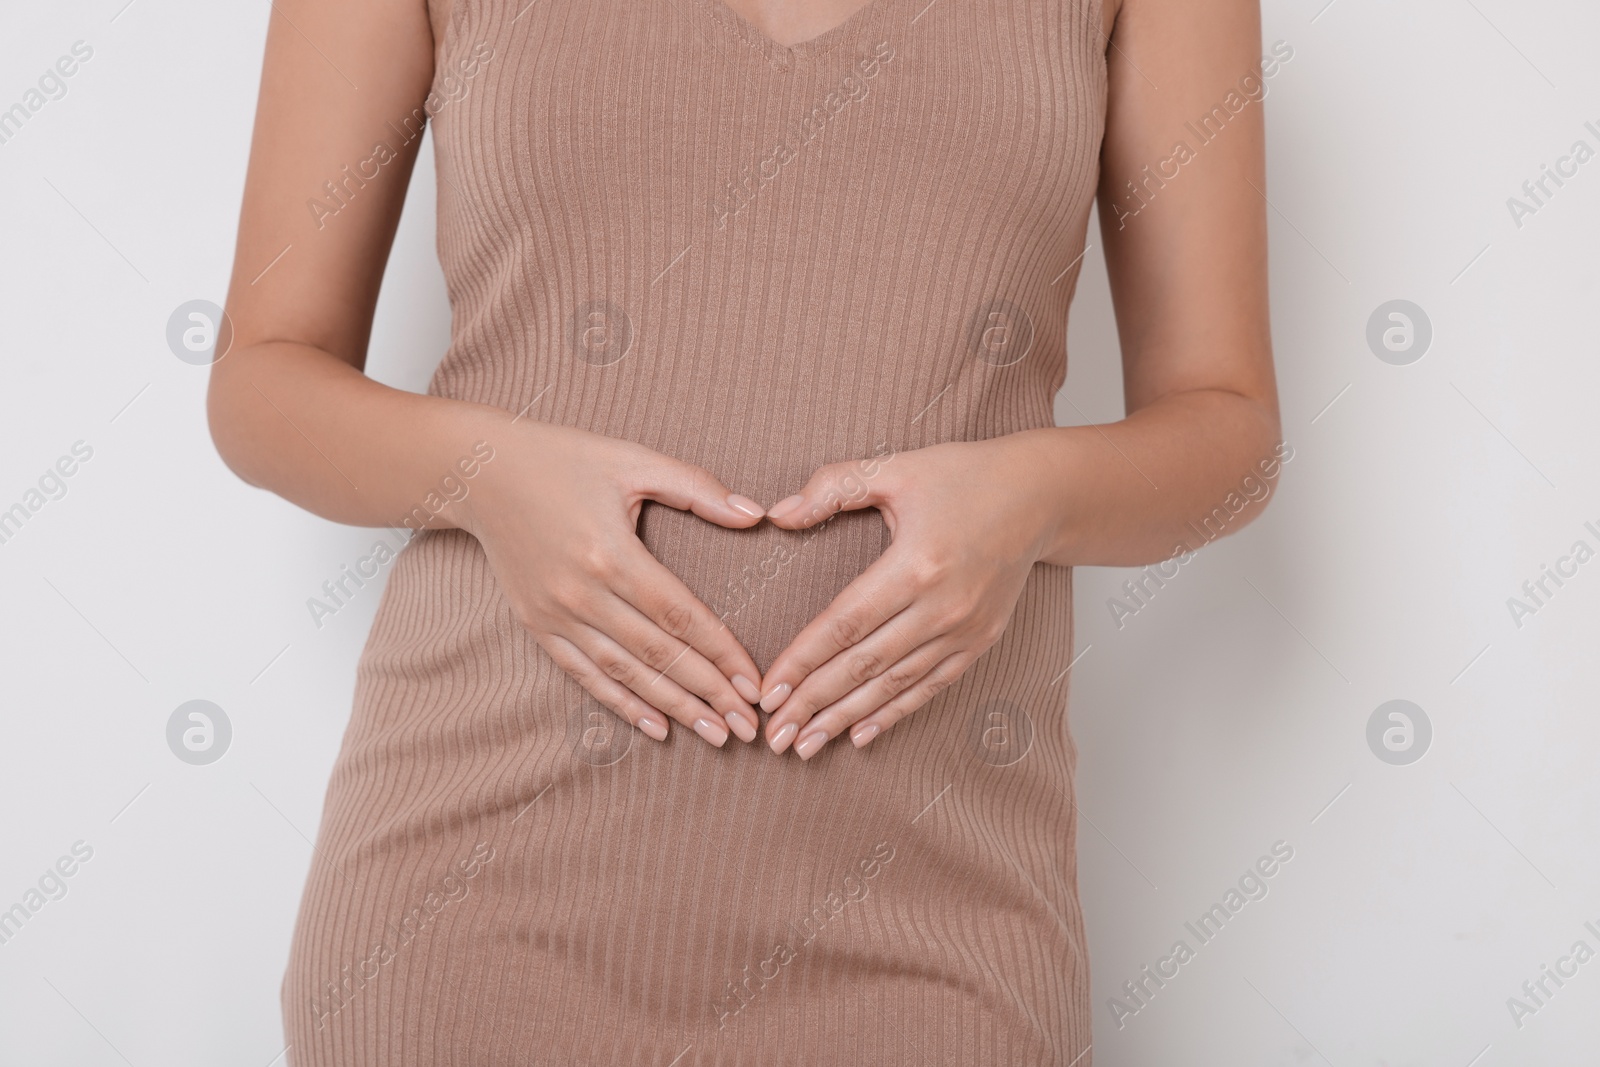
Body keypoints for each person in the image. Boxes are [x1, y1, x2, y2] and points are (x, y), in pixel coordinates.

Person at [208, 0, 1280, 1061]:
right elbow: (263, 379)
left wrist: (1031, 494)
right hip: (470, 902)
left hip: (936, 910)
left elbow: (1226, 427)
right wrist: (488, 477)